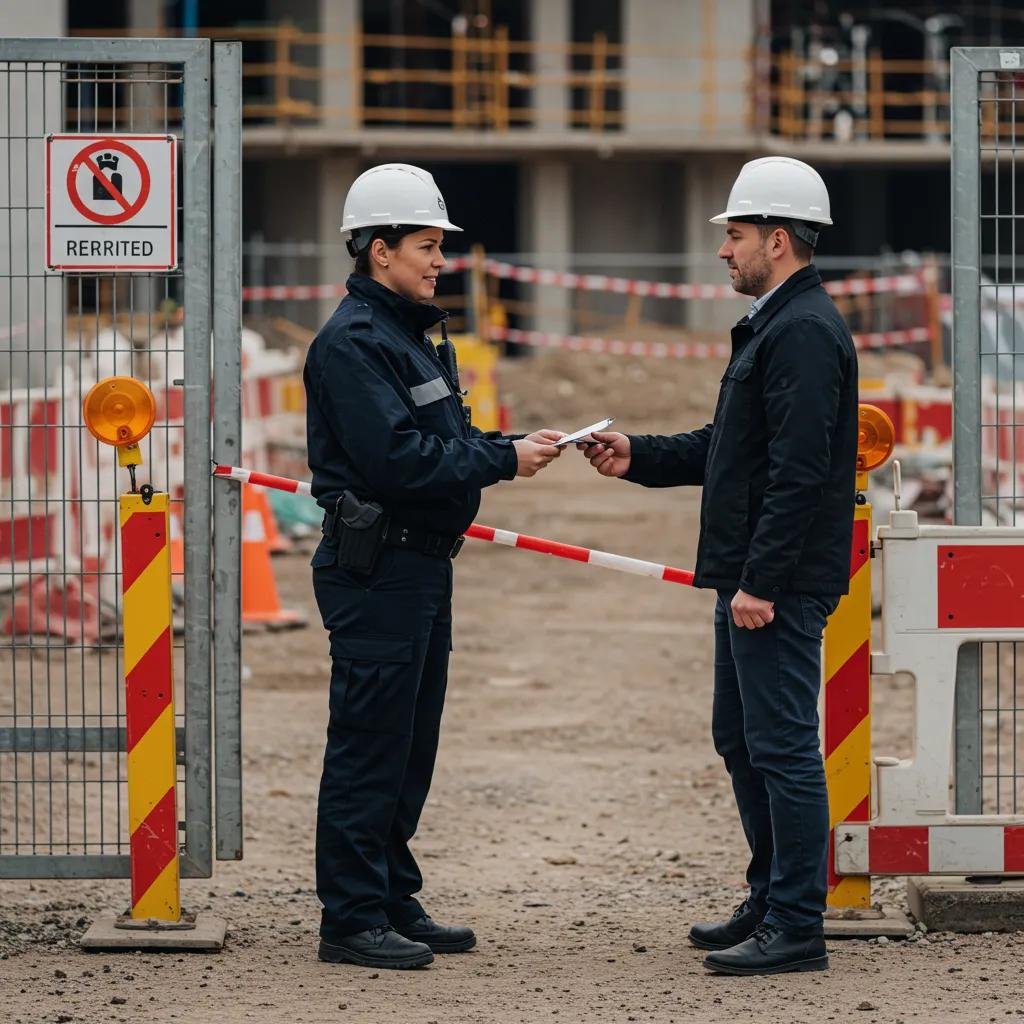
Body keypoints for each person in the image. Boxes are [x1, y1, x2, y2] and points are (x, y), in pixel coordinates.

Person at [582, 157, 858, 976]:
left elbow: (800, 474)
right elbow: (731, 452)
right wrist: (638, 454)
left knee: (779, 748)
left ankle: (797, 925)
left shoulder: (803, 332)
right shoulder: (775, 326)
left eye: (733, 236)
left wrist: (763, 584)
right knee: (741, 739)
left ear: (778, 239)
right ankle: (772, 897)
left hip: (774, 582)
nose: (722, 251)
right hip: (748, 576)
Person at [304, 163, 564, 970]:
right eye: (425, 245)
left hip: (419, 566)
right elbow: (400, 463)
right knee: (371, 740)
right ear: (379, 251)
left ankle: (388, 891)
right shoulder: (354, 344)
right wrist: (501, 462)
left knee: (410, 741)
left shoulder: (408, 337)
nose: (438, 259)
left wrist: (501, 450)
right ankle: (350, 916)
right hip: (379, 567)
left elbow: (443, 443)